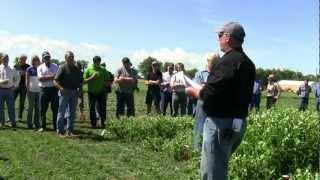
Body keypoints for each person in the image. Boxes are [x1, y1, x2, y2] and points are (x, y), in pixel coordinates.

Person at [187, 22, 255, 179]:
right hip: (238, 123)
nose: (218, 39)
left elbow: (209, 95)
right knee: (220, 165)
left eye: (219, 35)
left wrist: (193, 91)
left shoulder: (227, 61)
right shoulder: (248, 63)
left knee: (213, 173)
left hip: (220, 124)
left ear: (228, 37)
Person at [192, 53, 220, 151]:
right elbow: (195, 86)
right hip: (202, 103)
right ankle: (196, 149)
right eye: (211, 62)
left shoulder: (221, 73)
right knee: (200, 125)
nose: (213, 64)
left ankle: (209, 149)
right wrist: (204, 88)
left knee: (213, 126)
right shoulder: (200, 73)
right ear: (208, 62)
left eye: (216, 62)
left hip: (216, 103)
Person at [54, 51, 83, 136]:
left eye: (72, 56)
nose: (71, 58)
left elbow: (80, 81)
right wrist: (61, 88)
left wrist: (79, 90)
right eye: (70, 56)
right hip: (64, 92)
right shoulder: (62, 68)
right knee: (61, 112)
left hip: (74, 93)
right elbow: (55, 81)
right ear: (65, 58)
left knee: (72, 113)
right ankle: (59, 131)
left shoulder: (76, 69)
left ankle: (70, 131)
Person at [84, 56, 111, 128]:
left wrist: (105, 84)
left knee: (103, 108)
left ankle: (103, 123)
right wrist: (92, 78)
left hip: (102, 92)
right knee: (92, 108)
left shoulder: (103, 70)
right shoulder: (88, 69)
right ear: (94, 62)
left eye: (99, 62)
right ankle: (93, 124)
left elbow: (108, 81)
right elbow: (83, 81)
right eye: (97, 62)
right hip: (91, 92)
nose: (98, 63)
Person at [37, 51, 59, 131]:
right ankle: (42, 126)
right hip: (44, 90)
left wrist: (45, 77)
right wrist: (51, 77)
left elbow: (57, 77)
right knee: (42, 109)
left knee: (55, 109)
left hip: (54, 89)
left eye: (48, 57)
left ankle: (55, 126)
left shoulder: (55, 66)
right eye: (45, 57)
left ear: (50, 57)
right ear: (42, 58)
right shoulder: (40, 67)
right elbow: (40, 79)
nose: (47, 58)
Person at [0, 54, 20, 127]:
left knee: (11, 107)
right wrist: (1, 81)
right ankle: (1, 122)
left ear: (8, 59)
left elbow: (17, 78)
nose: (5, 60)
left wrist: (15, 86)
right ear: (1, 59)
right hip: (0, 89)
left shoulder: (12, 68)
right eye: (4, 59)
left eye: (7, 59)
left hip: (10, 90)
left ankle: (13, 122)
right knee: (0, 107)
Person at [26, 55, 41, 129]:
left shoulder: (40, 68)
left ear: (38, 60)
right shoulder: (29, 69)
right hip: (31, 90)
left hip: (39, 91)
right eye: (34, 60)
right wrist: (27, 90)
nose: (36, 61)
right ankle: (29, 123)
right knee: (30, 108)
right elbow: (27, 80)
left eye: (37, 60)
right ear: (32, 61)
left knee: (38, 108)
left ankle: (37, 123)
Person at [14, 54, 30, 121]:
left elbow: (28, 75)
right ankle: (11, 115)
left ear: (25, 60)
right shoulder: (15, 66)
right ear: (19, 59)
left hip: (24, 86)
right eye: (21, 59)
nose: (22, 60)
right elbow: (13, 75)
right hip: (16, 86)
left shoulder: (28, 66)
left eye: (24, 59)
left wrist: (24, 73)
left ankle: (20, 116)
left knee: (22, 102)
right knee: (12, 100)